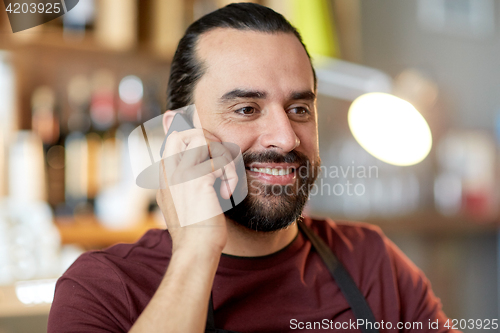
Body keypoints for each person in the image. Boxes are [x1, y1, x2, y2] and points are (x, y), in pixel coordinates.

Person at [48, 3, 459, 333]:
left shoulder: (373, 264)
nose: (285, 137)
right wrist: (195, 252)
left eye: (299, 109)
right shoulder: (102, 290)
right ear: (180, 135)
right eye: (246, 109)